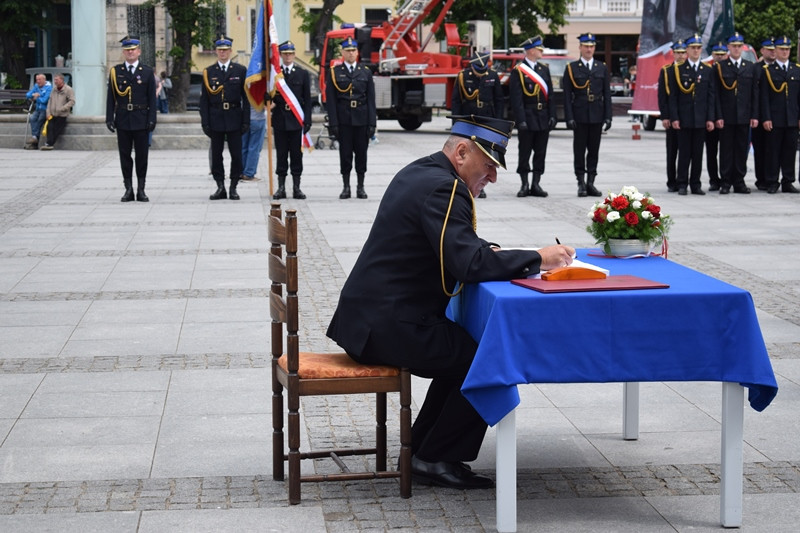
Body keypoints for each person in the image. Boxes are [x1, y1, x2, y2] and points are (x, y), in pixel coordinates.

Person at [326, 114, 575, 489]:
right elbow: (468, 263)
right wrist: (538, 258)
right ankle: (434, 457)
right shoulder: (445, 189)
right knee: (487, 358)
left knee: (465, 353)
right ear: (461, 152)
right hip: (388, 325)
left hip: (372, 318)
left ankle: (424, 451)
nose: (492, 177)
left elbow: (452, 242)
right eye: (489, 165)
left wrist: (487, 249)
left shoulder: (423, 172)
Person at [106, 35, 157, 202]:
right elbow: (111, 97)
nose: (130, 53)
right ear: (123, 52)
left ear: (139, 51)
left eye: (133, 50)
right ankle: (128, 189)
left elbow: (152, 99)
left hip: (141, 119)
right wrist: (109, 117)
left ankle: (141, 189)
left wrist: (152, 119)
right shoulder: (116, 72)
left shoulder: (148, 72)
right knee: (125, 156)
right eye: (127, 50)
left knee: (142, 156)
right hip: (123, 119)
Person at [200, 35, 250, 201]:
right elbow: (204, 101)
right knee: (216, 155)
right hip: (216, 118)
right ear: (216, 51)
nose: (223, 53)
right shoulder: (209, 72)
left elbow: (246, 98)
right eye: (220, 50)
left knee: (236, 155)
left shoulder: (240, 70)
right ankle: (220, 186)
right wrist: (205, 122)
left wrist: (245, 120)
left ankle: (234, 186)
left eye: (225, 50)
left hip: (234, 117)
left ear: (230, 51)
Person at [325, 36, 376, 199]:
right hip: (344, 120)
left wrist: (372, 123)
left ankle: (361, 187)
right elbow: (331, 100)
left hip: (361, 120)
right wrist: (333, 123)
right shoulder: (335, 72)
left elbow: (371, 100)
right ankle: (346, 187)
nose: (351, 54)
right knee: (345, 154)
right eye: (347, 51)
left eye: (353, 50)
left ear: (357, 52)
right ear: (342, 53)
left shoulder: (365, 72)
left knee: (362, 154)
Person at [562, 33, 612, 197]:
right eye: (586, 46)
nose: (589, 49)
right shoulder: (572, 68)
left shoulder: (601, 67)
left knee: (594, 150)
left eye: (591, 46)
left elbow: (606, 94)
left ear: (594, 48)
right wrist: (569, 117)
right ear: (580, 48)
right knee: (579, 150)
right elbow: (567, 95)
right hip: (580, 114)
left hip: (597, 113)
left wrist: (608, 116)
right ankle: (581, 182)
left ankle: (591, 182)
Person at [451, 51, 505, 198]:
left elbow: (499, 100)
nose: (480, 74)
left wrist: (498, 122)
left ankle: (479, 185)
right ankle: (463, 183)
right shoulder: (463, 76)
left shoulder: (492, 76)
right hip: (469, 119)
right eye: (478, 71)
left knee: (483, 155)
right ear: (472, 66)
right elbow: (456, 101)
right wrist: (456, 123)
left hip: (487, 119)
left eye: (483, 71)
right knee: (467, 154)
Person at [509, 36, 556, 198]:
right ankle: (524, 183)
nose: (541, 51)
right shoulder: (518, 71)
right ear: (530, 51)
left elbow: (551, 95)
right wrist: (520, 119)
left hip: (542, 117)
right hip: (527, 118)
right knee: (525, 152)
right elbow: (516, 99)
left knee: (540, 152)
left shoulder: (544, 69)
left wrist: (552, 115)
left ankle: (536, 183)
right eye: (539, 49)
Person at [668, 34, 715, 195]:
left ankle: (695, 184)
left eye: (698, 48)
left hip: (701, 119)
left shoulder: (707, 70)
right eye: (693, 48)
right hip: (684, 118)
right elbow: (673, 96)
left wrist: (710, 118)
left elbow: (710, 96)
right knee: (684, 153)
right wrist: (674, 117)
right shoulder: (678, 69)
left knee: (697, 153)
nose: (696, 51)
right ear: (687, 50)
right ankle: (682, 183)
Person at [714, 32, 757, 194]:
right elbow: (716, 95)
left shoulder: (749, 67)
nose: (737, 49)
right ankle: (725, 182)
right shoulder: (720, 67)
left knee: (741, 150)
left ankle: (739, 181)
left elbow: (754, 93)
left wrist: (754, 115)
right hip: (726, 116)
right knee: (725, 150)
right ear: (729, 48)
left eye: (739, 46)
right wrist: (718, 115)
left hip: (744, 116)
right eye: (734, 46)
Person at [271, 40, 312, 199]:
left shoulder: (302, 73)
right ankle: (281, 187)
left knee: (296, 155)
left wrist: (307, 120)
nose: (288, 56)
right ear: (281, 55)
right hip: (281, 120)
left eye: (290, 53)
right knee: (281, 155)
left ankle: (296, 187)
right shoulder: (275, 74)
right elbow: (269, 95)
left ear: (294, 55)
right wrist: (268, 96)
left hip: (296, 121)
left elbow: (307, 99)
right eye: (285, 54)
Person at [759, 36, 800, 194]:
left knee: (790, 151)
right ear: (775, 50)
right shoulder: (768, 71)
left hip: (791, 118)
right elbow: (764, 97)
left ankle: (788, 181)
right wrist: (766, 117)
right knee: (773, 151)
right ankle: (772, 181)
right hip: (775, 118)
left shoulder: (796, 69)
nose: (785, 52)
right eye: (782, 49)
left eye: (787, 49)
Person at [659, 40, 687, 192]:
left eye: (683, 52)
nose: (681, 55)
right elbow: (663, 96)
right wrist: (665, 116)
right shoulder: (666, 70)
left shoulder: (690, 70)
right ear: (673, 53)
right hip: (671, 115)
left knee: (685, 150)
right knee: (672, 150)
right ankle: (671, 180)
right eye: (678, 52)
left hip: (686, 116)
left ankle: (683, 179)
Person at [752, 38, 776, 191]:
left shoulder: (780, 68)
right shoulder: (756, 68)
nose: (772, 52)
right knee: (760, 149)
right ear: (762, 51)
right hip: (759, 115)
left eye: (774, 49)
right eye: (769, 49)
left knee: (773, 149)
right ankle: (761, 179)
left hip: (776, 116)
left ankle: (771, 178)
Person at [705, 43, 728, 191]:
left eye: (722, 54)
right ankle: (714, 179)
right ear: (712, 55)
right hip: (711, 117)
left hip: (726, 117)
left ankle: (726, 178)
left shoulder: (730, 69)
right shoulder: (708, 70)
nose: (719, 56)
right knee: (711, 151)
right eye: (717, 54)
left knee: (726, 151)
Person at [40, 73, 75, 150]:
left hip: (62, 114)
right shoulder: (54, 89)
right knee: (50, 127)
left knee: (57, 129)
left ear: (62, 80)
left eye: (57, 80)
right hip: (52, 114)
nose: (55, 81)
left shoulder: (68, 89)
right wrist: (48, 112)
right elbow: (50, 101)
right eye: (54, 80)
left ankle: (49, 144)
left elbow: (72, 101)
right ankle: (49, 144)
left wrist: (63, 108)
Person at [24, 74, 52, 150]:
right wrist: (33, 94)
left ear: (44, 80)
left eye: (39, 80)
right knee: (32, 119)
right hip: (37, 109)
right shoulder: (36, 86)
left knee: (40, 120)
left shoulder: (49, 88)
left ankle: (34, 139)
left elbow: (44, 100)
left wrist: (37, 97)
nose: (38, 81)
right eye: (37, 79)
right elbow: (27, 95)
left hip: (45, 109)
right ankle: (35, 138)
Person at [240, 106, 266, 183]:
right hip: (257, 118)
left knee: (243, 147)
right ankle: (248, 173)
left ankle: (241, 171)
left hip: (244, 119)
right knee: (254, 148)